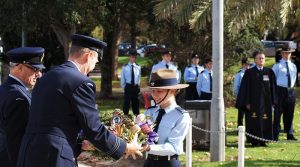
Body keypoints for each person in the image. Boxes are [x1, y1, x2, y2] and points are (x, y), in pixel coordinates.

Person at [16, 34, 141, 167]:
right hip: (54, 156)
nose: (93, 66)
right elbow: (94, 129)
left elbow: (54, 120)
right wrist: (125, 147)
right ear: (88, 56)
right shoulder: (81, 82)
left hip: (29, 152)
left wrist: (81, 143)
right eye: (95, 62)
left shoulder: (46, 77)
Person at [0, 47, 44, 167]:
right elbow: (17, 142)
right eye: (35, 69)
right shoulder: (18, 98)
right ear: (20, 67)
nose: (39, 74)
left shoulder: (5, 89)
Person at [142, 69, 190, 167]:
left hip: (168, 163)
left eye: (159, 91)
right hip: (150, 162)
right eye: (153, 91)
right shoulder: (150, 112)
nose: (154, 95)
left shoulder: (181, 116)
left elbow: (173, 147)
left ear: (172, 91)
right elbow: (142, 135)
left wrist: (148, 148)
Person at [236, 51, 277, 146]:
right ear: (255, 60)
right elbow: (245, 89)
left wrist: (273, 102)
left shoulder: (269, 72)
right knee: (253, 121)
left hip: (266, 103)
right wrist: (246, 103)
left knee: (265, 121)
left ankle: (263, 140)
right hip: (252, 103)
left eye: (263, 58)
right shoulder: (249, 73)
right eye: (259, 58)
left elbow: (273, 88)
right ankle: (253, 141)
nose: (261, 60)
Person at [272, 46, 297, 141]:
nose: (287, 55)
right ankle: (275, 135)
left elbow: (294, 78)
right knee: (278, 113)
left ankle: (289, 134)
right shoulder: (277, 66)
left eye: (289, 53)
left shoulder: (293, 66)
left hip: (290, 91)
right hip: (280, 91)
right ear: (282, 54)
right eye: (285, 53)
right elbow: (273, 80)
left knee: (290, 113)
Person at [121, 49, 141, 116]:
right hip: (128, 87)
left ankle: (136, 116)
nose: (133, 58)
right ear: (129, 57)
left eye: (135, 57)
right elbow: (123, 79)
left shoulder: (138, 67)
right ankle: (125, 116)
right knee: (126, 103)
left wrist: (138, 85)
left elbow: (139, 77)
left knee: (136, 103)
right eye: (132, 57)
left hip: (135, 87)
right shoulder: (125, 67)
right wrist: (124, 88)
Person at [233, 57, 250, 126]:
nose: (247, 66)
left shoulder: (251, 73)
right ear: (243, 65)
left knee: (249, 114)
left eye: (248, 65)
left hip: (249, 96)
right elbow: (236, 87)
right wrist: (238, 96)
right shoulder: (239, 74)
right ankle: (240, 128)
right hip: (242, 96)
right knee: (241, 114)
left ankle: (249, 128)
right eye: (246, 65)